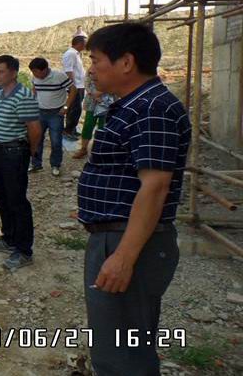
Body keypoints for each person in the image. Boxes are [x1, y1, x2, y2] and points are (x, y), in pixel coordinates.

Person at [78, 23, 190, 375]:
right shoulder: (135, 105)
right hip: (117, 235)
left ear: (126, 62)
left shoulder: (152, 108)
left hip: (129, 241)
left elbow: (155, 186)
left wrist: (124, 257)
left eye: (95, 60)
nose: (91, 69)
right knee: (117, 341)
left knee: (121, 352)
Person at [0, 55, 42, 271]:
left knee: (17, 201)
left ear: (13, 73)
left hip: (14, 153)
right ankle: (8, 238)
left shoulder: (23, 95)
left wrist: (30, 152)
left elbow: (34, 128)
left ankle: (24, 251)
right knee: (2, 198)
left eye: (0, 72)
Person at [28, 57, 76, 177]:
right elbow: (34, 89)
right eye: (33, 72)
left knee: (55, 141)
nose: (34, 75)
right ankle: (36, 164)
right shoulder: (35, 77)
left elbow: (73, 90)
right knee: (36, 139)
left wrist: (66, 107)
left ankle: (55, 165)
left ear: (44, 69)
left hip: (56, 113)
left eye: (36, 72)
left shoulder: (59, 76)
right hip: (39, 112)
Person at [72, 74, 116, 160]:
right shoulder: (92, 70)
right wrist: (93, 94)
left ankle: (100, 151)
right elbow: (87, 82)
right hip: (92, 103)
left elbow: (116, 83)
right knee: (88, 126)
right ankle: (83, 149)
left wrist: (100, 92)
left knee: (103, 128)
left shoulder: (114, 70)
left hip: (108, 103)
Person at [62, 34, 88, 140]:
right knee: (74, 109)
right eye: (85, 43)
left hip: (79, 85)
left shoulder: (76, 54)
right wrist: (73, 86)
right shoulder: (71, 54)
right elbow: (68, 70)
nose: (86, 45)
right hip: (75, 86)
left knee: (75, 109)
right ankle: (68, 131)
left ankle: (72, 129)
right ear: (80, 43)